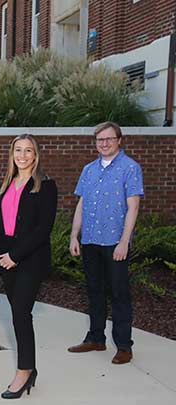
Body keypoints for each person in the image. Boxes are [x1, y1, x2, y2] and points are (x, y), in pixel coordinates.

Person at [67, 122, 143, 365]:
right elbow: (81, 203)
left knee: (119, 294)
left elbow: (133, 207)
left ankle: (123, 346)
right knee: (94, 291)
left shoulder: (130, 168)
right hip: (90, 240)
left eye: (109, 139)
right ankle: (96, 338)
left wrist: (124, 242)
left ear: (119, 140)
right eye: (100, 140)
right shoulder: (89, 170)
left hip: (114, 242)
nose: (105, 143)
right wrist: (73, 235)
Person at [0, 134, 57, 399]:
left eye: (28, 150)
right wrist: (1, 253)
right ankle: (30, 369)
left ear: (35, 155)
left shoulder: (46, 185)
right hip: (6, 258)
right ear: (12, 154)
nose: (23, 155)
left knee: (21, 313)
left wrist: (15, 255)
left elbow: (43, 229)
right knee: (18, 313)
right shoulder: (7, 183)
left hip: (30, 258)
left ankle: (24, 370)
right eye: (18, 150)